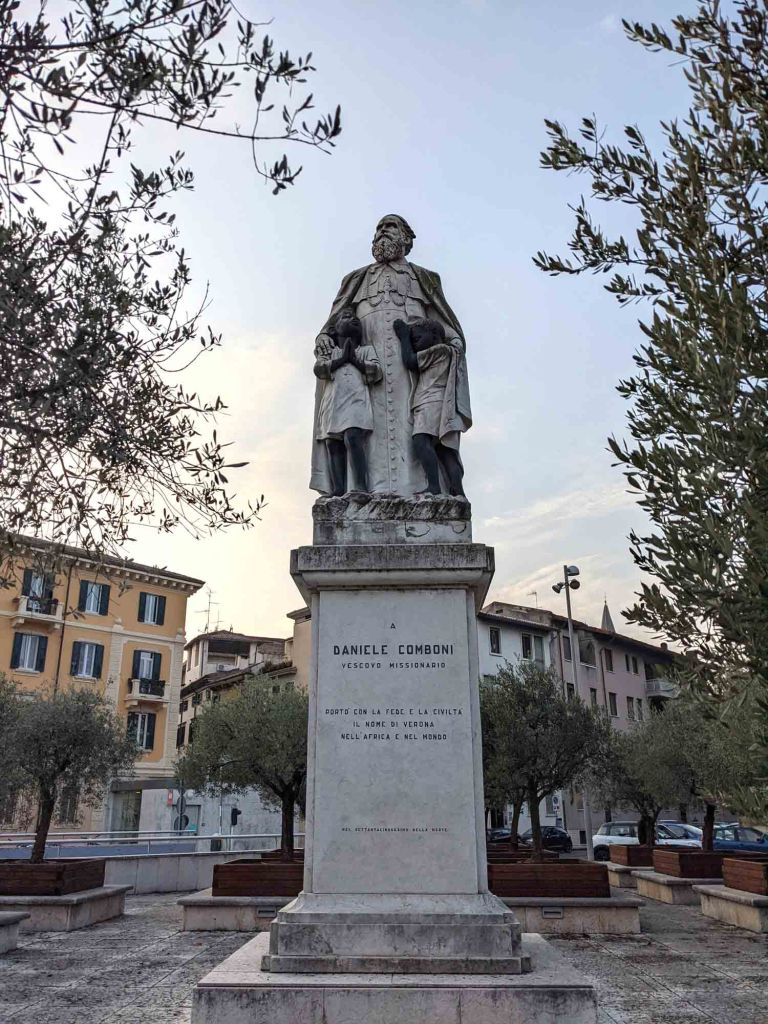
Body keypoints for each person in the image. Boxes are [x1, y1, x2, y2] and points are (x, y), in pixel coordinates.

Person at [310, 215, 471, 498]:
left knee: (417, 433)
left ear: (406, 238)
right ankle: (362, 494)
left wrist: (454, 342)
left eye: (390, 226)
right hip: (363, 379)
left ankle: (424, 493)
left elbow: (443, 323)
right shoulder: (355, 279)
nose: (382, 232)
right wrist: (323, 338)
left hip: (412, 375)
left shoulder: (425, 278)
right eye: (379, 228)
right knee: (359, 433)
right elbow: (332, 325)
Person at [394, 317, 466, 497]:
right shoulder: (449, 352)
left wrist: (404, 336)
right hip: (440, 402)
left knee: (421, 440)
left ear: (434, 335)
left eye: (418, 339)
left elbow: (410, 361)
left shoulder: (439, 350)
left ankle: (434, 486)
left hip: (430, 401)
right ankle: (458, 491)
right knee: (444, 448)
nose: (415, 344)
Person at [314, 307, 381, 496]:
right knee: (332, 443)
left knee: (353, 437)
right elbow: (319, 368)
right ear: (334, 329)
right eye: (346, 316)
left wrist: (355, 361)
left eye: (355, 317)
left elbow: (376, 371)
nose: (353, 319)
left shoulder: (365, 351)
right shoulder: (331, 352)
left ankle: (360, 486)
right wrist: (342, 359)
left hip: (355, 401)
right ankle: (338, 489)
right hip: (332, 402)